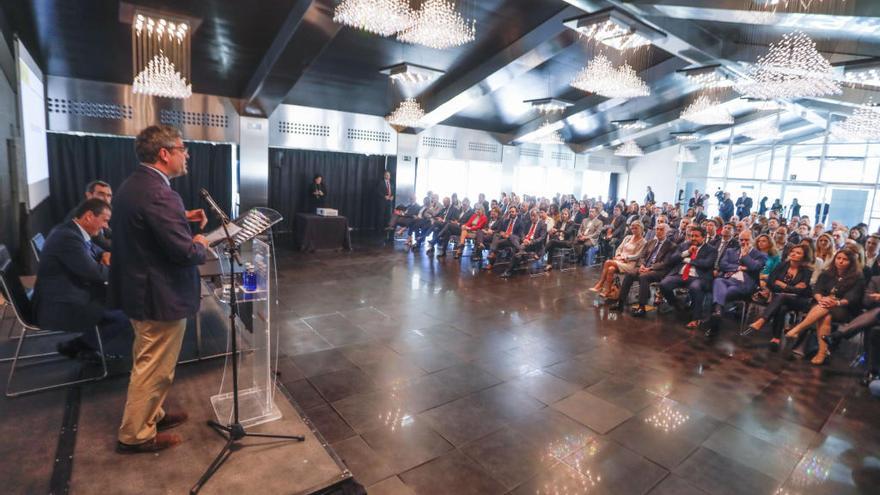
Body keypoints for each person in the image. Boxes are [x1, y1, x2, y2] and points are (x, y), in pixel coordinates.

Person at [112, 125, 210, 454]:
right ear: (165, 153)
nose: (187, 155)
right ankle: (136, 434)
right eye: (183, 148)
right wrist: (200, 241)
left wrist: (180, 217)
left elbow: (146, 226)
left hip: (140, 290)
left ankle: (153, 414)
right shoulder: (160, 193)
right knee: (154, 366)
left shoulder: (135, 185)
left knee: (151, 361)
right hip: (157, 295)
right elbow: (183, 253)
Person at [33, 198, 130, 362]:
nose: (106, 226)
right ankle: (81, 346)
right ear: (89, 216)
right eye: (105, 220)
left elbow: (94, 252)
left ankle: (84, 345)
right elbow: (94, 272)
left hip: (65, 293)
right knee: (128, 311)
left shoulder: (71, 231)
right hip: (60, 305)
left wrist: (103, 255)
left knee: (122, 301)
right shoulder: (67, 238)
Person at [784, 249, 865, 365]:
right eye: (838, 258)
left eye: (845, 259)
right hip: (823, 305)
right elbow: (817, 290)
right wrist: (821, 299)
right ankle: (822, 353)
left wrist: (836, 303)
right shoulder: (827, 273)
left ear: (851, 262)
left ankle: (797, 329)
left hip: (844, 308)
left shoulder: (858, 277)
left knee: (825, 310)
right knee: (826, 316)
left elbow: (852, 298)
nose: (840, 261)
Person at [747, 244, 814, 351]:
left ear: (804, 257)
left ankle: (762, 320)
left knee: (782, 297)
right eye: (793, 251)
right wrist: (791, 288)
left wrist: (783, 285)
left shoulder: (807, 271)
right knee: (782, 307)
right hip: (780, 298)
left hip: (800, 301)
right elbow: (770, 283)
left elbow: (801, 291)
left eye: (798, 253)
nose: (793, 253)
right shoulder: (782, 265)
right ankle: (776, 339)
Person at [705, 230, 767, 337]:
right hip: (727, 279)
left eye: (746, 240)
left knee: (723, 293)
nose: (743, 242)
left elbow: (755, 267)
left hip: (744, 284)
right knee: (718, 281)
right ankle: (717, 315)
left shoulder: (760, 255)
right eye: (741, 240)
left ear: (753, 240)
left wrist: (745, 256)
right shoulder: (730, 251)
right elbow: (723, 264)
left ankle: (715, 320)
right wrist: (738, 267)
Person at [824, 273, 880, 385]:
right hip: (874, 319)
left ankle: (838, 335)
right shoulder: (876, 280)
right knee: (874, 329)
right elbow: (866, 302)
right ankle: (871, 372)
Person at [659, 226, 718, 329]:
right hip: (680, 274)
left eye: (696, 236)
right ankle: (676, 304)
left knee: (695, 288)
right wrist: (687, 253)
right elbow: (671, 259)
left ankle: (696, 318)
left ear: (704, 237)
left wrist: (689, 260)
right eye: (691, 236)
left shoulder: (711, 249)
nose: (693, 238)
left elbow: (707, 264)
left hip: (698, 277)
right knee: (664, 284)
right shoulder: (683, 245)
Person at [620, 223, 676, 315]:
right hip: (644, 267)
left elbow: (665, 263)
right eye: (657, 229)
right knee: (630, 274)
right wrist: (642, 265)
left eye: (661, 229)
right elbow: (642, 256)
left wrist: (650, 268)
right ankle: (620, 302)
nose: (658, 231)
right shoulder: (651, 242)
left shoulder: (671, 246)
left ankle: (642, 307)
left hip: (659, 271)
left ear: (667, 232)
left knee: (643, 277)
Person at [591, 222, 647, 298]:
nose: (634, 230)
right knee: (611, 269)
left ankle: (600, 284)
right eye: (632, 228)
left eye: (636, 228)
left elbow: (638, 255)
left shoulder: (643, 241)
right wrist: (618, 256)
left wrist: (626, 258)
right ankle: (607, 290)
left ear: (641, 229)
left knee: (608, 262)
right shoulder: (628, 237)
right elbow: (619, 248)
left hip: (630, 264)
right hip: (620, 260)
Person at [65, 180, 114, 251]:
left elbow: (109, 233)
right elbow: (101, 243)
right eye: (101, 194)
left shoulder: (102, 212)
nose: (106, 199)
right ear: (89, 195)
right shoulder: (83, 213)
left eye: (109, 196)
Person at [501, 209, 546, 278]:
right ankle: (521, 250)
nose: (532, 218)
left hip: (535, 245)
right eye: (531, 216)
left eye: (534, 216)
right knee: (512, 237)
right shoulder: (528, 223)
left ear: (538, 216)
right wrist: (524, 239)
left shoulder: (543, 224)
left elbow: (542, 238)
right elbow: (522, 233)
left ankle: (508, 271)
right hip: (525, 242)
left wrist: (530, 242)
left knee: (517, 253)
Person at [379, 171, 394, 239]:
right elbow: (377, 191)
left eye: (388, 175)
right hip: (383, 201)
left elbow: (393, 191)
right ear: (384, 175)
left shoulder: (391, 183)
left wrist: (392, 196)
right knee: (381, 215)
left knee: (389, 214)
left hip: (389, 201)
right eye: (386, 175)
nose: (387, 176)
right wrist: (384, 196)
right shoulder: (381, 183)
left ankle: (387, 227)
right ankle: (380, 229)